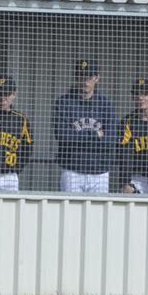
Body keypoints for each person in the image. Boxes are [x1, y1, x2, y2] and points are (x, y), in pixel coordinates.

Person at [52, 58, 117, 193]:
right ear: (76, 78)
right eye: (81, 76)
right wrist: (95, 135)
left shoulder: (105, 104)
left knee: (100, 213)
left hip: (100, 171)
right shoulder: (64, 103)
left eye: (89, 77)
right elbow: (62, 135)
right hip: (72, 170)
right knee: (69, 212)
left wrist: (76, 137)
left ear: (97, 77)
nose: (85, 81)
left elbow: (110, 139)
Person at [116, 77, 148, 194]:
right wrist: (125, 183)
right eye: (137, 94)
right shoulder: (128, 122)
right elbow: (123, 154)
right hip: (138, 179)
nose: (140, 98)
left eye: (145, 94)